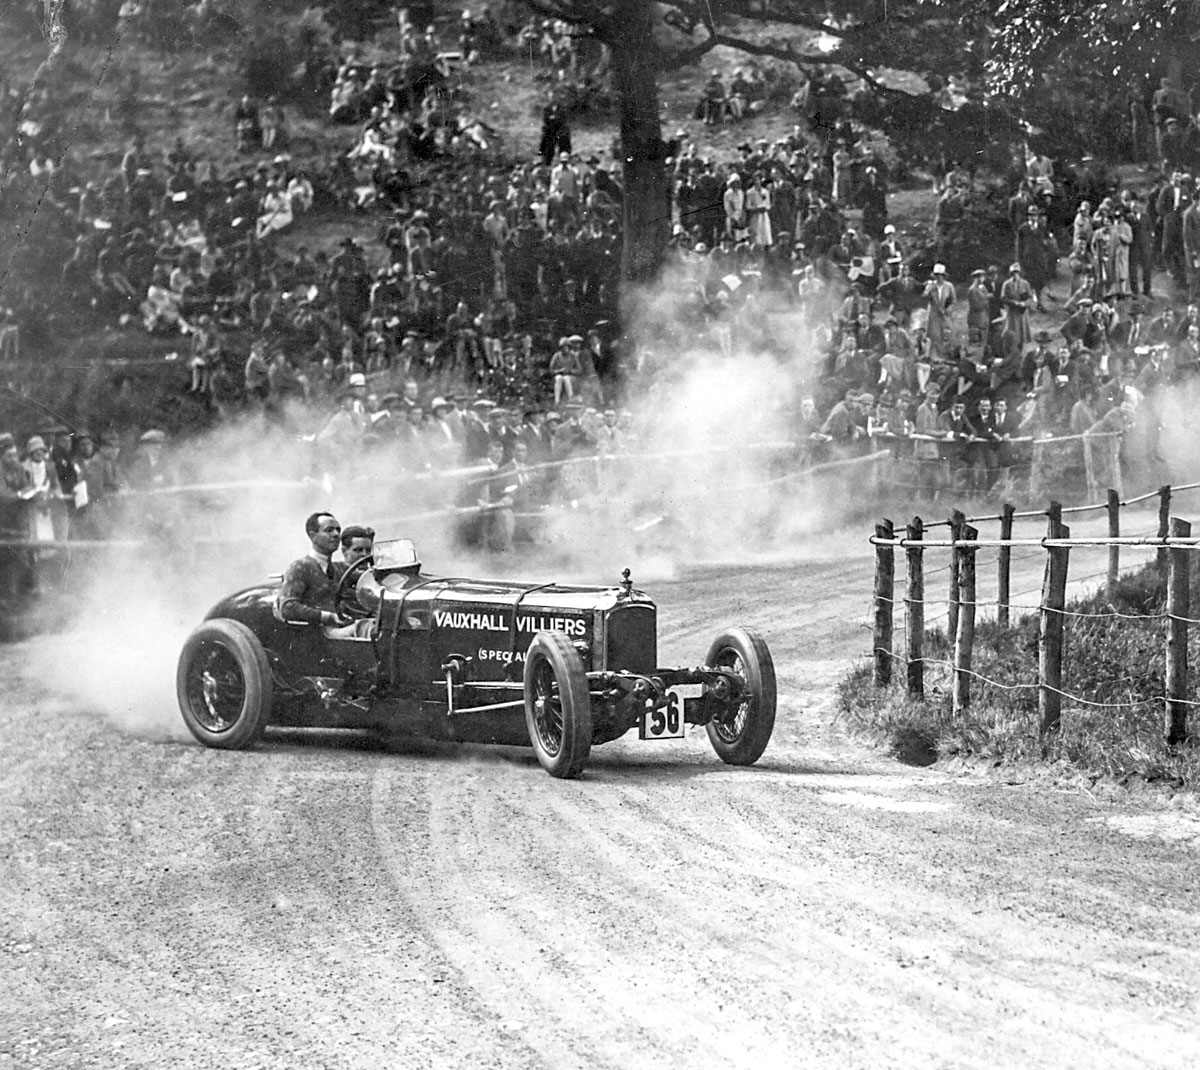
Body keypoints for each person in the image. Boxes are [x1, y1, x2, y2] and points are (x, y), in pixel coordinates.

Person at [277, 512, 349, 626]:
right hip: (318, 635)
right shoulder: (300, 567)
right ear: (312, 536)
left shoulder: (341, 569)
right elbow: (287, 607)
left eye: (338, 530)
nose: (336, 534)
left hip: (342, 630)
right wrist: (327, 617)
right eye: (329, 530)